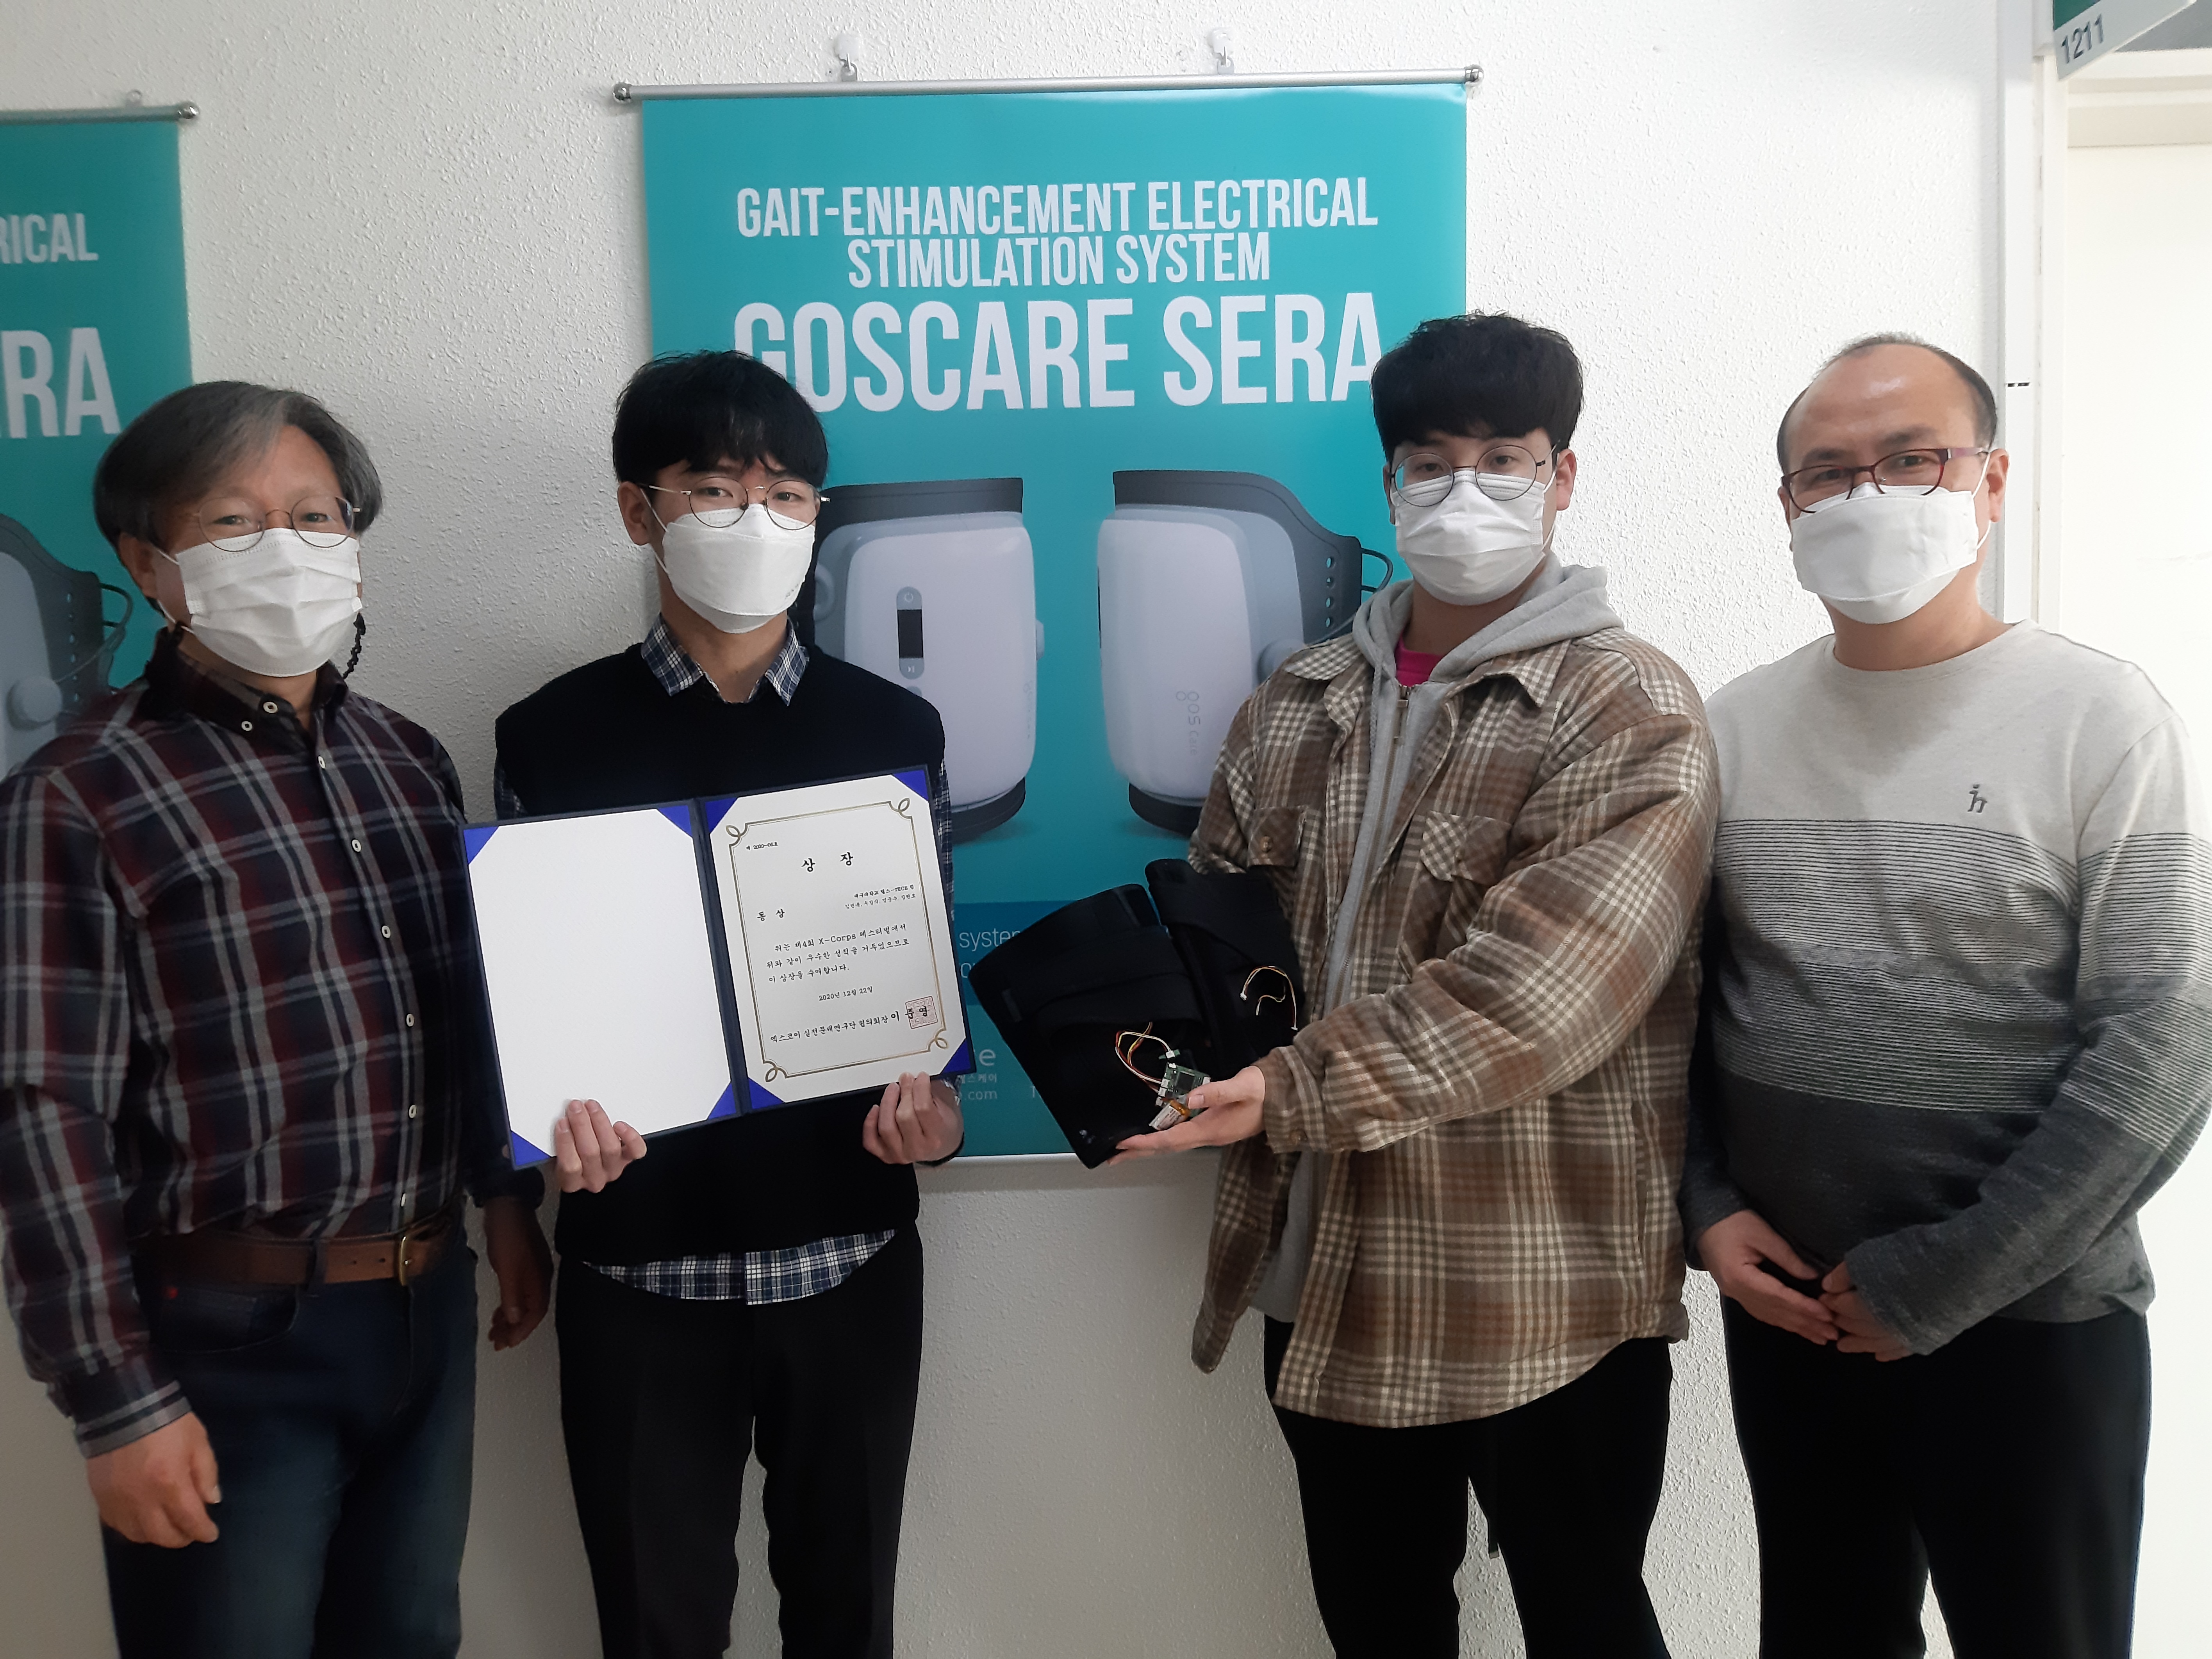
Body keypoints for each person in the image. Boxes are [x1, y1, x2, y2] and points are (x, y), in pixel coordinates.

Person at [0, 382, 641, 1659]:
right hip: (223, 1334)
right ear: (150, 565)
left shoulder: (406, 761)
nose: (285, 548)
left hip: (424, 1304)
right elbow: (43, 1114)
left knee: (411, 1637)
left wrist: (506, 1205)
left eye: (315, 515)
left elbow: (460, 1014)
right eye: (233, 523)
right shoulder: (77, 793)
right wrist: (115, 1402)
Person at [1118, 313, 1718, 1657]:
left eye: (1503, 460)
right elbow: (1218, 935)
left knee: (1590, 1623)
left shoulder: (1629, 707)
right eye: (1431, 463)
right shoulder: (1297, 701)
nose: (1465, 491)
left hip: (1541, 1283)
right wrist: (1144, 1063)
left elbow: (1544, 993)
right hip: (1324, 1270)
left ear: (1563, 476)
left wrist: (1288, 1085)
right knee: (1379, 1626)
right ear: (1388, 482)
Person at [1683, 335, 2210, 1659]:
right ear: (1788, 507)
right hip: (1796, 1306)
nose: (1867, 494)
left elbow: (2165, 1034)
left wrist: (1948, 1276)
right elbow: (1675, 1004)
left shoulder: (2099, 718)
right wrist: (1707, 1207)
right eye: (1828, 472)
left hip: (2033, 1313)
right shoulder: (1730, 729)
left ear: (1991, 479)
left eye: (1911, 459)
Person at [494, 349, 963, 1659]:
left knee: (848, 1620)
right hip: (638, 1264)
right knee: (656, 1627)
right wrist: (529, 1163)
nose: (756, 521)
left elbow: (920, 986)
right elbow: (526, 992)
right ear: (639, 511)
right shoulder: (549, 735)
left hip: (850, 1254)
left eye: (788, 495)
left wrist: (937, 1118)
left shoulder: (895, 730)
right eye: (714, 489)